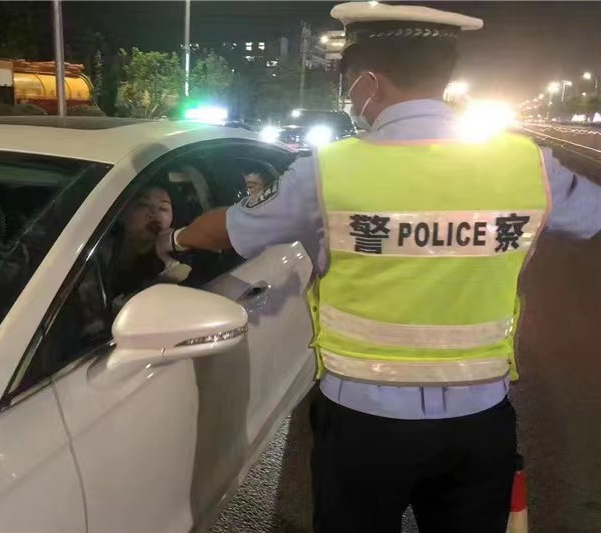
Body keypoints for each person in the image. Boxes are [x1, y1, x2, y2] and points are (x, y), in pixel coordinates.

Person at [157, 2, 601, 531]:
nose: (351, 99)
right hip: (479, 419)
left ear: (368, 82)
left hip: (364, 423)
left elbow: (225, 230)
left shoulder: (329, 171)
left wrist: (172, 237)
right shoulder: (527, 164)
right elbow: (593, 217)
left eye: (349, 86)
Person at [104, 183, 191, 313]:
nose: (154, 214)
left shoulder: (176, 262)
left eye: (163, 208)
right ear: (122, 214)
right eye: (143, 204)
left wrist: (166, 260)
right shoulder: (96, 248)